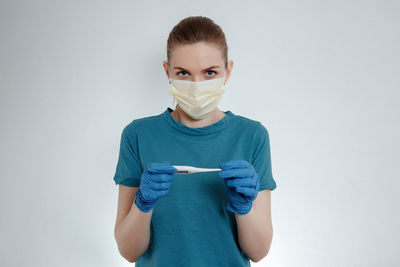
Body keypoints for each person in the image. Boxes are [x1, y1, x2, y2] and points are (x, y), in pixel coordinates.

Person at [113, 16, 277, 267]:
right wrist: (142, 204)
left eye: (210, 72)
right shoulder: (138, 135)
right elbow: (129, 251)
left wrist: (244, 209)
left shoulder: (252, 136)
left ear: (228, 71)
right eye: (183, 73)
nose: (197, 85)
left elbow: (258, 251)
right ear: (167, 71)